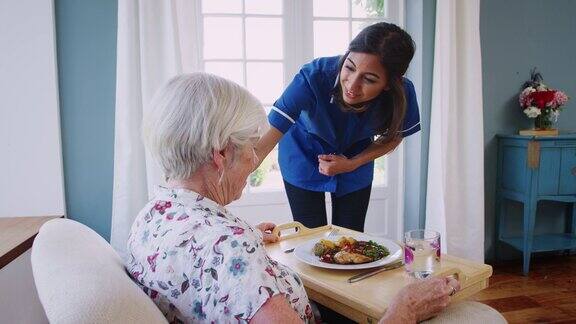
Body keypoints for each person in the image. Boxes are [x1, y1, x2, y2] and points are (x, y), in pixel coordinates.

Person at [125, 72, 460, 323]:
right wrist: (404, 310)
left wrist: (248, 238)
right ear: (222, 154)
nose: (255, 160)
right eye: (250, 149)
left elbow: (204, 265)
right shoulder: (227, 247)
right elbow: (224, 257)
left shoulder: (153, 214)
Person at [255, 22, 420, 232]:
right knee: (309, 238)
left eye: (369, 79)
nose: (351, 85)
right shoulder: (312, 77)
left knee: (350, 237)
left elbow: (394, 137)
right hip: (302, 152)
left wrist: (353, 163)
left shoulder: (402, 93)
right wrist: (222, 185)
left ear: (389, 84)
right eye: (349, 67)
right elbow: (268, 138)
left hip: (356, 155)